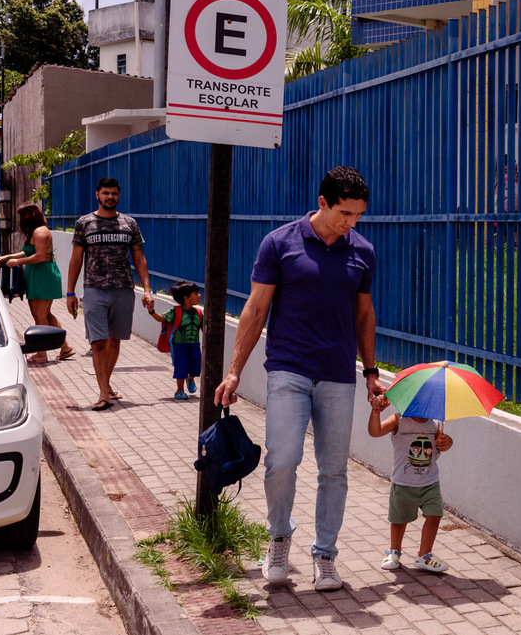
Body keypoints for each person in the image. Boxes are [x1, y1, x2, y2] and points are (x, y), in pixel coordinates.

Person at [213, 166, 382, 593]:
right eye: (345, 212)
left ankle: (325, 556)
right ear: (322, 202)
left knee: (334, 470)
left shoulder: (362, 250)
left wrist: (371, 372)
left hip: (339, 374)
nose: (351, 222)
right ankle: (279, 536)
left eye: (358, 214)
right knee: (282, 460)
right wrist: (234, 370)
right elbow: (255, 310)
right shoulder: (280, 243)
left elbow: (364, 314)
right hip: (288, 368)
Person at [66, 177, 155, 410]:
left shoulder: (129, 224)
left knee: (115, 341)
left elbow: (139, 257)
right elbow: (76, 260)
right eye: (105, 193)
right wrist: (69, 293)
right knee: (98, 343)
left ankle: (105, 385)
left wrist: (147, 289)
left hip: (123, 290)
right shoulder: (84, 223)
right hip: (94, 290)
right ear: (97, 195)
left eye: (114, 193)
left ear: (118, 195)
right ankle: (104, 392)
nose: (110, 197)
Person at [368, 394, 454, 573]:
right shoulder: (398, 420)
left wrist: (447, 442)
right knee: (399, 520)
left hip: (429, 482)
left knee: (435, 515)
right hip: (403, 483)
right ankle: (394, 551)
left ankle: (424, 555)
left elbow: (443, 446)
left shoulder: (435, 424)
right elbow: (375, 432)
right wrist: (375, 412)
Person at [0, 203, 75, 363]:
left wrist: (18, 261)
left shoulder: (40, 232)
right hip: (39, 276)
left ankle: (41, 353)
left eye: (21, 217)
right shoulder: (37, 231)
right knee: (45, 314)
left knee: (39, 316)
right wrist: (7, 257)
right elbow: (29, 251)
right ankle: (65, 347)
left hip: (42, 276)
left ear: (27, 217)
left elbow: (40, 256)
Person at [148, 280, 202, 399]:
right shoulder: (175, 311)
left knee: (196, 367)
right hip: (180, 345)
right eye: (196, 293)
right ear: (186, 297)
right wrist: (151, 311)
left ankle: (190, 379)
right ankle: (179, 390)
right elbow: (161, 319)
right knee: (181, 367)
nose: (199, 295)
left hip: (194, 345)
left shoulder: (198, 312)